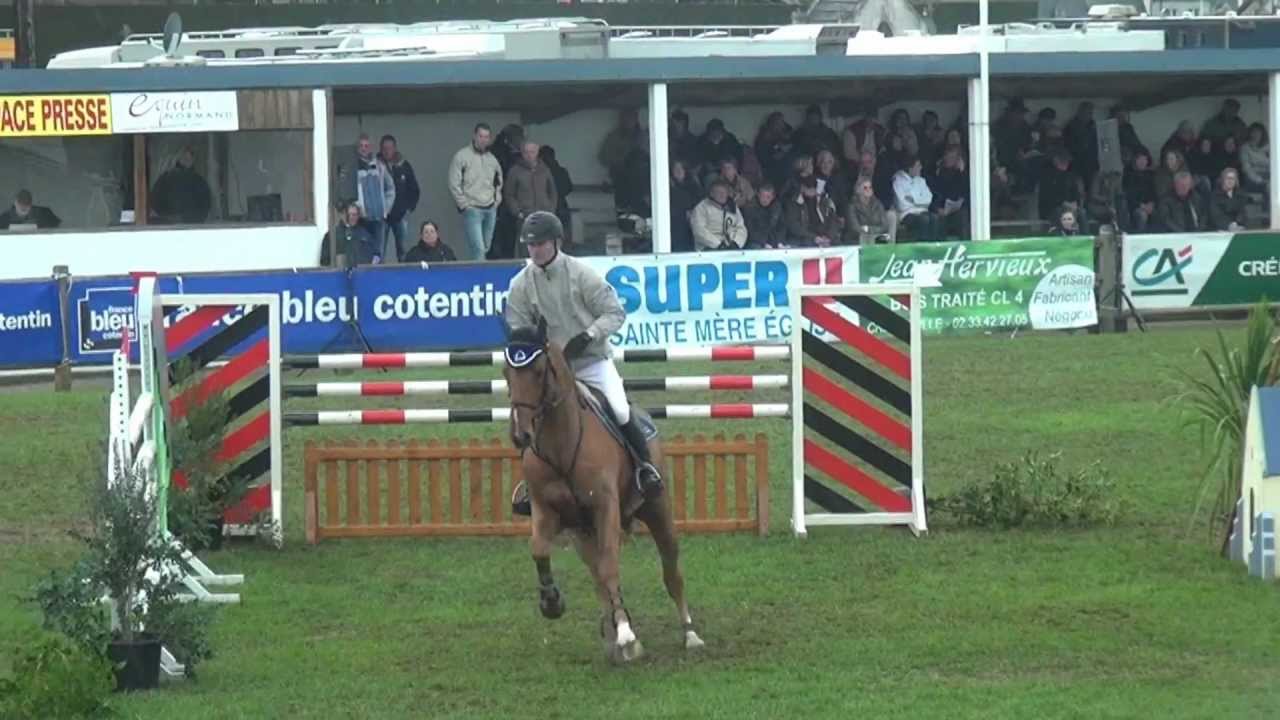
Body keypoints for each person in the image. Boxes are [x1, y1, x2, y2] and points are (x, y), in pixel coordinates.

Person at [504, 211, 663, 517]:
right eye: (530, 245)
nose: (534, 250)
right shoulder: (520, 284)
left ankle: (644, 469)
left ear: (556, 242)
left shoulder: (581, 274)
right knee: (528, 416)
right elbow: (518, 327)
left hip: (591, 360)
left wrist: (589, 334)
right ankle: (531, 484)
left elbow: (614, 312)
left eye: (540, 244)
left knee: (619, 407)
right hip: (550, 369)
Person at [448, 123, 504, 261]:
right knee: (478, 248)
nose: (483, 139)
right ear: (474, 136)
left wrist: (497, 200)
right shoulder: (461, 156)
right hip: (472, 209)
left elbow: (498, 180)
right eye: (481, 136)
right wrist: (464, 205)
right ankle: (480, 277)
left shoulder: (492, 159)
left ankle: (479, 274)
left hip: (490, 208)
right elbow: (453, 182)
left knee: (486, 247)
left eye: (486, 137)